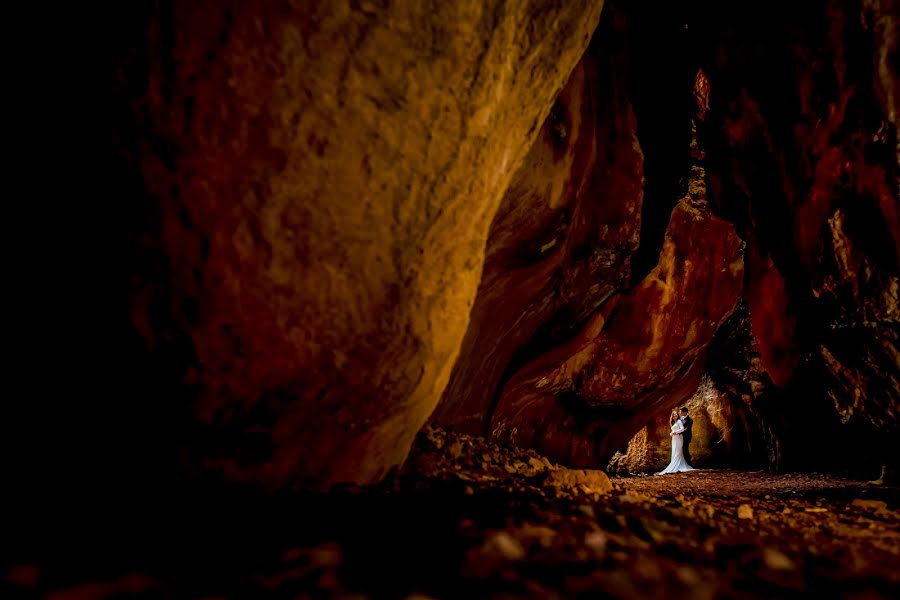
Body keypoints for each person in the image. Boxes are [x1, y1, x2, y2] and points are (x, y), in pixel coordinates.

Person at [657, 409, 694, 475]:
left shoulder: (679, 421)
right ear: (672, 416)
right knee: (674, 451)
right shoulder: (673, 422)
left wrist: (675, 432)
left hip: (679, 438)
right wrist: (671, 433)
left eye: (676, 414)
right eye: (673, 415)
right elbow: (673, 430)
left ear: (677, 415)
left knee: (678, 451)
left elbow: (682, 429)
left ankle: (678, 465)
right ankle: (674, 463)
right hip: (674, 439)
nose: (675, 415)